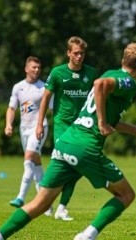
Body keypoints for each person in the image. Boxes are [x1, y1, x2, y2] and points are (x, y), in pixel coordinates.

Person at [0, 42, 136, 240]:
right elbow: (99, 85)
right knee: (126, 194)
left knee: (39, 203)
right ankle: (88, 235)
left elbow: (107, 108)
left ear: (123, 60)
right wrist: (102, 122)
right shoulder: (128, 82)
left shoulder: (112, 73)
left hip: (66, 142)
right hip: (85, 146)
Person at [36, 36, 98, 220]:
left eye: (82, 53)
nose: (79, 56)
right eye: (76, 53)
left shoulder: (91, 73)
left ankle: (62, 207)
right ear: (68, 53)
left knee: (78, 167)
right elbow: (46, 98)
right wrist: (39, 123)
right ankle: (45, 201)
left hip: (82, 127)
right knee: (63, 164)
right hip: (63, 126)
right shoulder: (57, 73)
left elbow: (98, 97)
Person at [5, 56, 52, 208]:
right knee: (35, 164)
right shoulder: (18, 87)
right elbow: (12, 108)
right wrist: (8, 124)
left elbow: (53, 108)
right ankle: (46, 203)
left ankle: (20, 197)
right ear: (26, 69)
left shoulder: (44, 87)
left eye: (38, 68)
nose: (36, 70)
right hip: (24, 129)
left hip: (39, 127)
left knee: (29, 156)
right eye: (33, 67)